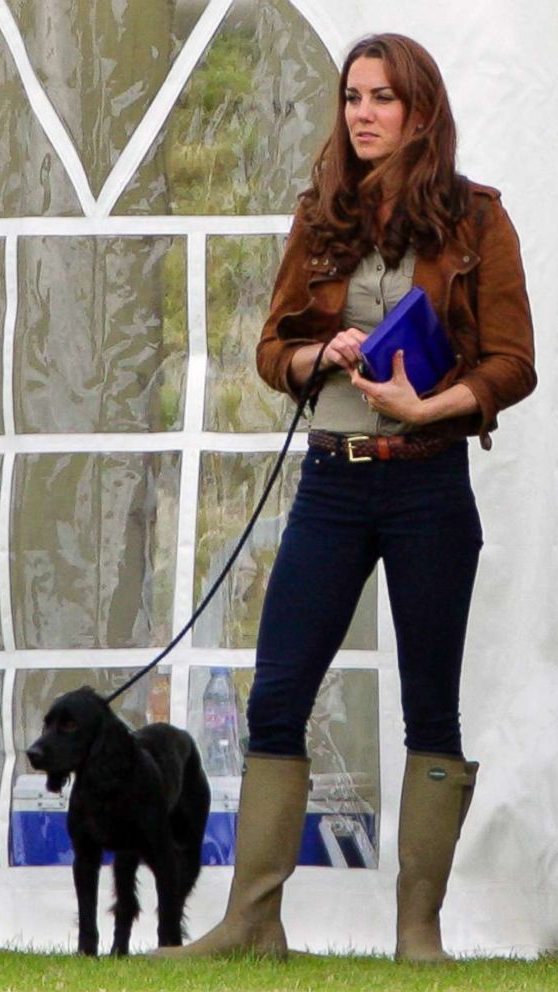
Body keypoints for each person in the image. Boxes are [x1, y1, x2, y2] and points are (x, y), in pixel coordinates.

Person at [154, 32, 536, 962]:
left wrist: (429, 403)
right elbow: (270, 347)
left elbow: (513, 364)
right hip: (331, 476)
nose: (362, 113)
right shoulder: (319, 216)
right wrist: (315, 354)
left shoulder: (479, 221)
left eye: (382, 98)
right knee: (278, 691)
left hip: (428, 481)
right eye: (353, 97)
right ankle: (253, 924)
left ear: (421, 110)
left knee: (430, 704)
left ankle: (419, 933)